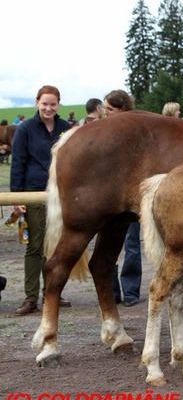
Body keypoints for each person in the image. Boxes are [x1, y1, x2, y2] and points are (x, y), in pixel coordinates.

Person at [10, 85, 72, 315]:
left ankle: (53, 292)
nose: (48, 107)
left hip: (60, 194)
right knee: (35, 246)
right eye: (44, 103)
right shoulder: (25, 129)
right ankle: (30, 297)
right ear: (37, 102)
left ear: (58, 105)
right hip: (33, 192)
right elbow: (18, 162)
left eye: (53, 104)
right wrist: (17, 196)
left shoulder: (66, 128)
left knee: (56, 246)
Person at [104, 89, 141, 307]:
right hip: (109, 198)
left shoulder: (136, 135)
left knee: (132, 244)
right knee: (109, 244)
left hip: (131, 197)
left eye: (110, 109)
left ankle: (131, 291)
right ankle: (112, 290)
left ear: (122, 110)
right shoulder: (103, 134)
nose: (105, 113)